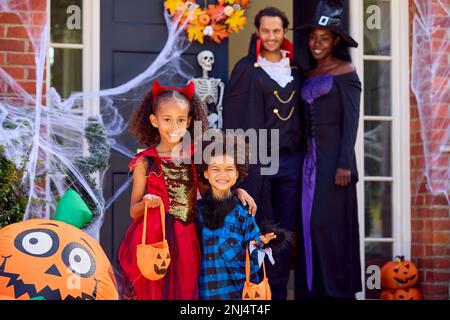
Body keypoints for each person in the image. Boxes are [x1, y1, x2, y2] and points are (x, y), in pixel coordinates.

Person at [118, 80, 256, 300]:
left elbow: (213, 188)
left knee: (185, 289)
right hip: (154, 239)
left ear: (190, 121)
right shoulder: (145, 162)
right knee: (154, 290)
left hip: (186, 235)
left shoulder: (195, 156)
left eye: (181, 120)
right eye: (167, 120)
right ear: (154, 121)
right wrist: (148, 202)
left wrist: (238, 192)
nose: (174, 127)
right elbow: (133, 211)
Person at [222, 6, 304, 300]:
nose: (271, 36)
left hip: (290, 160)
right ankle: (253, 291)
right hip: (257, 160)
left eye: (277, 31)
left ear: (284, 33)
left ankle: (278, 292)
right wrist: (236, 166)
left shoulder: (296, 69)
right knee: (259, 226)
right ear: (258, 32)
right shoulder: (246, 68)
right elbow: (232, 117)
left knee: (283, 231)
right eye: (266, 31)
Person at [293, 0, 362, 300]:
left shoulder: (346, 72)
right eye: (312, 37)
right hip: (308, 162)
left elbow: (352, 121)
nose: (317, 44)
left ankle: (337, 292)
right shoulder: (306, 74)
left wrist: (346, 162)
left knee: (327, 225)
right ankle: (314, 292)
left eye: (324, 38)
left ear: (335, 40)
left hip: (336, 162)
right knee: (308, 225)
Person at [197, 131, 290, 300]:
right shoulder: (197, 213)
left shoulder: (243, 213)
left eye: (229, 169)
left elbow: (254, 261)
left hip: (237, 295)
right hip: (205, 294)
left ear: (238, 172)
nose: (222, 175)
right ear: (205, 173)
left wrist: (260, 244)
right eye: (216, 169)